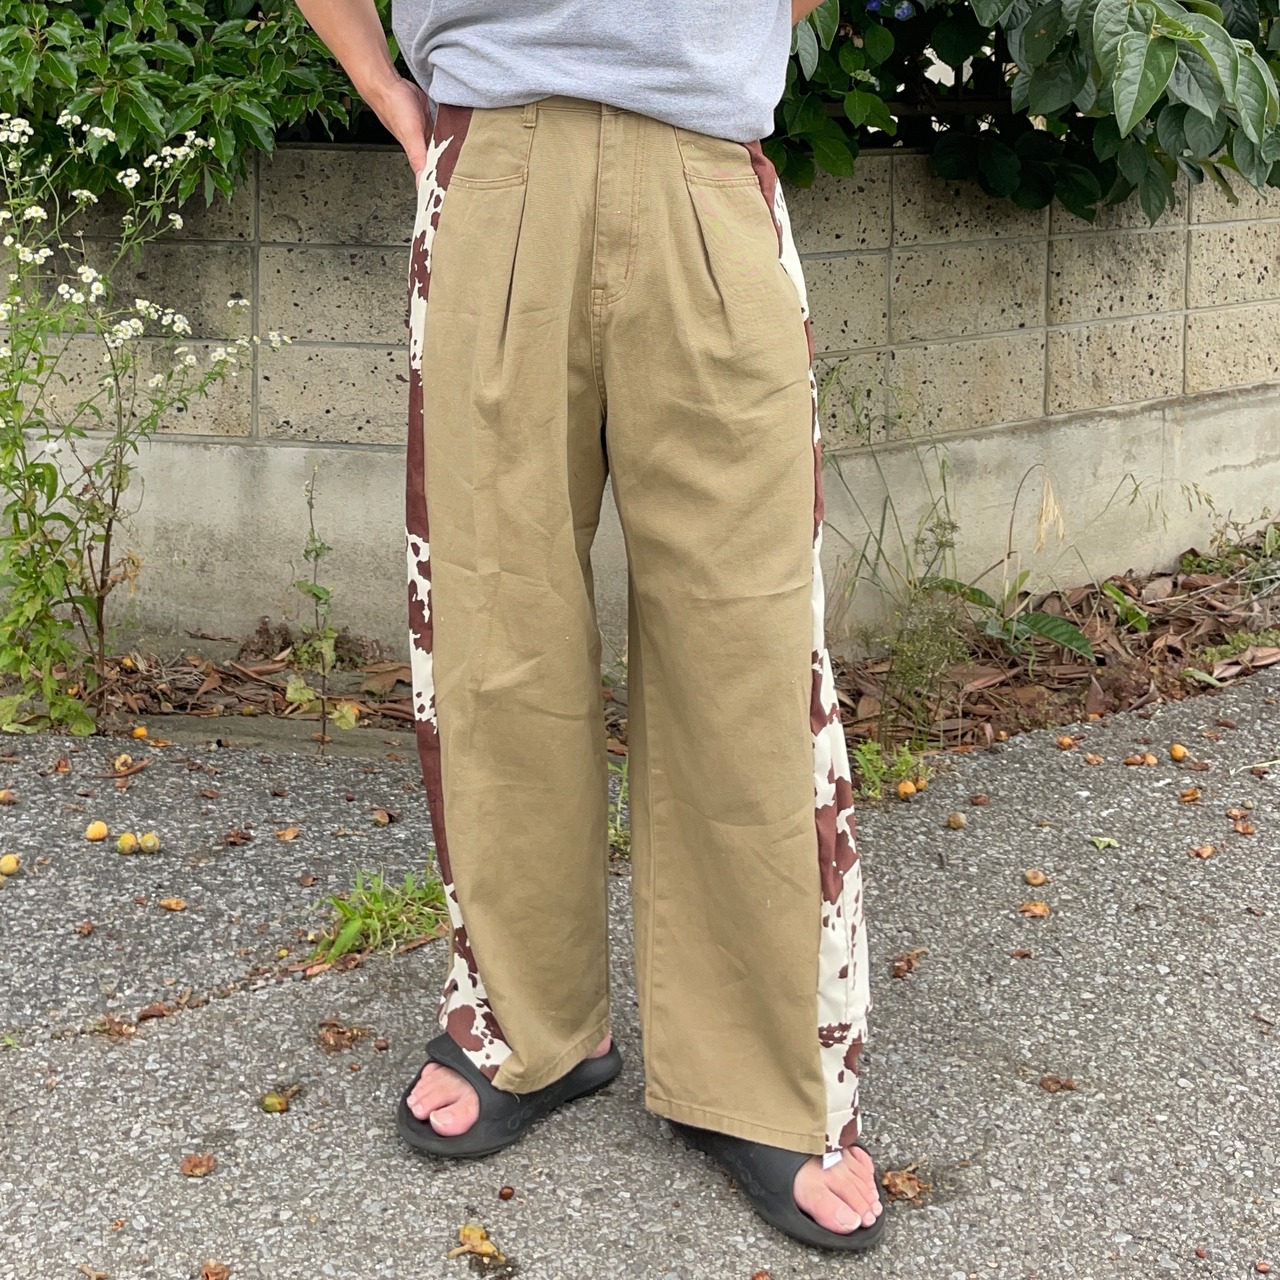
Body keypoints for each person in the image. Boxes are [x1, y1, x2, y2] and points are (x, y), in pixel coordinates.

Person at [293, 0, 884, 1251]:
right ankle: (525, 1020)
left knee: (748, 647)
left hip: (705, 166)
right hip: (493, 156)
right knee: (492, 630)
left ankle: (758, 1072)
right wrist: (382, 84)